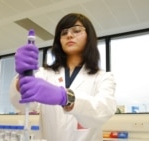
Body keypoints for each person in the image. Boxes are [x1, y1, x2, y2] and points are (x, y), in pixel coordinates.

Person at [10, 13, 117, 141]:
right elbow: (22, 105)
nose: (69, 35)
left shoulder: (103, 77)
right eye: (64, 33)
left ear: (90, 37)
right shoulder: (44, 73)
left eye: (76, 30)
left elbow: (103, 111)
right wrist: (23, 78)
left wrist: (67, 98)